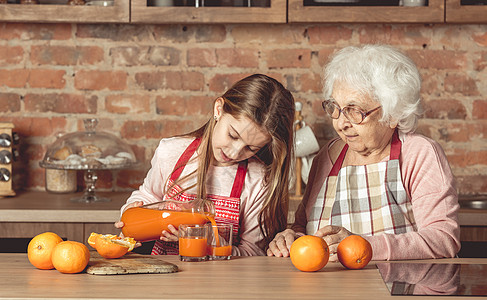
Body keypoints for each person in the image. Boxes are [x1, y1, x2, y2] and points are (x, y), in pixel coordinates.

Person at [267, 45, 461, 261]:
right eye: (335, 108)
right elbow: (305, 227)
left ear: (393, 114)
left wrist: (362, 246)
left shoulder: (419, 153)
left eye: (354, 111)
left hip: (396, 288)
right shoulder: (328, 156)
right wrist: (291, 237)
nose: (341, 124)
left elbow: (443, 239)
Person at [116, 74, 295, 256]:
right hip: (163, 275)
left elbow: (252, 252)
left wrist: (208, 241)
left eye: (251, 148)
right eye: (233, 135)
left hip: (221, 281)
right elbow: (149, 195)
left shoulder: (258, 180)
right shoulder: (171, 152)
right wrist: (133, 211)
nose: (234, 153)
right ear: (219, 109)